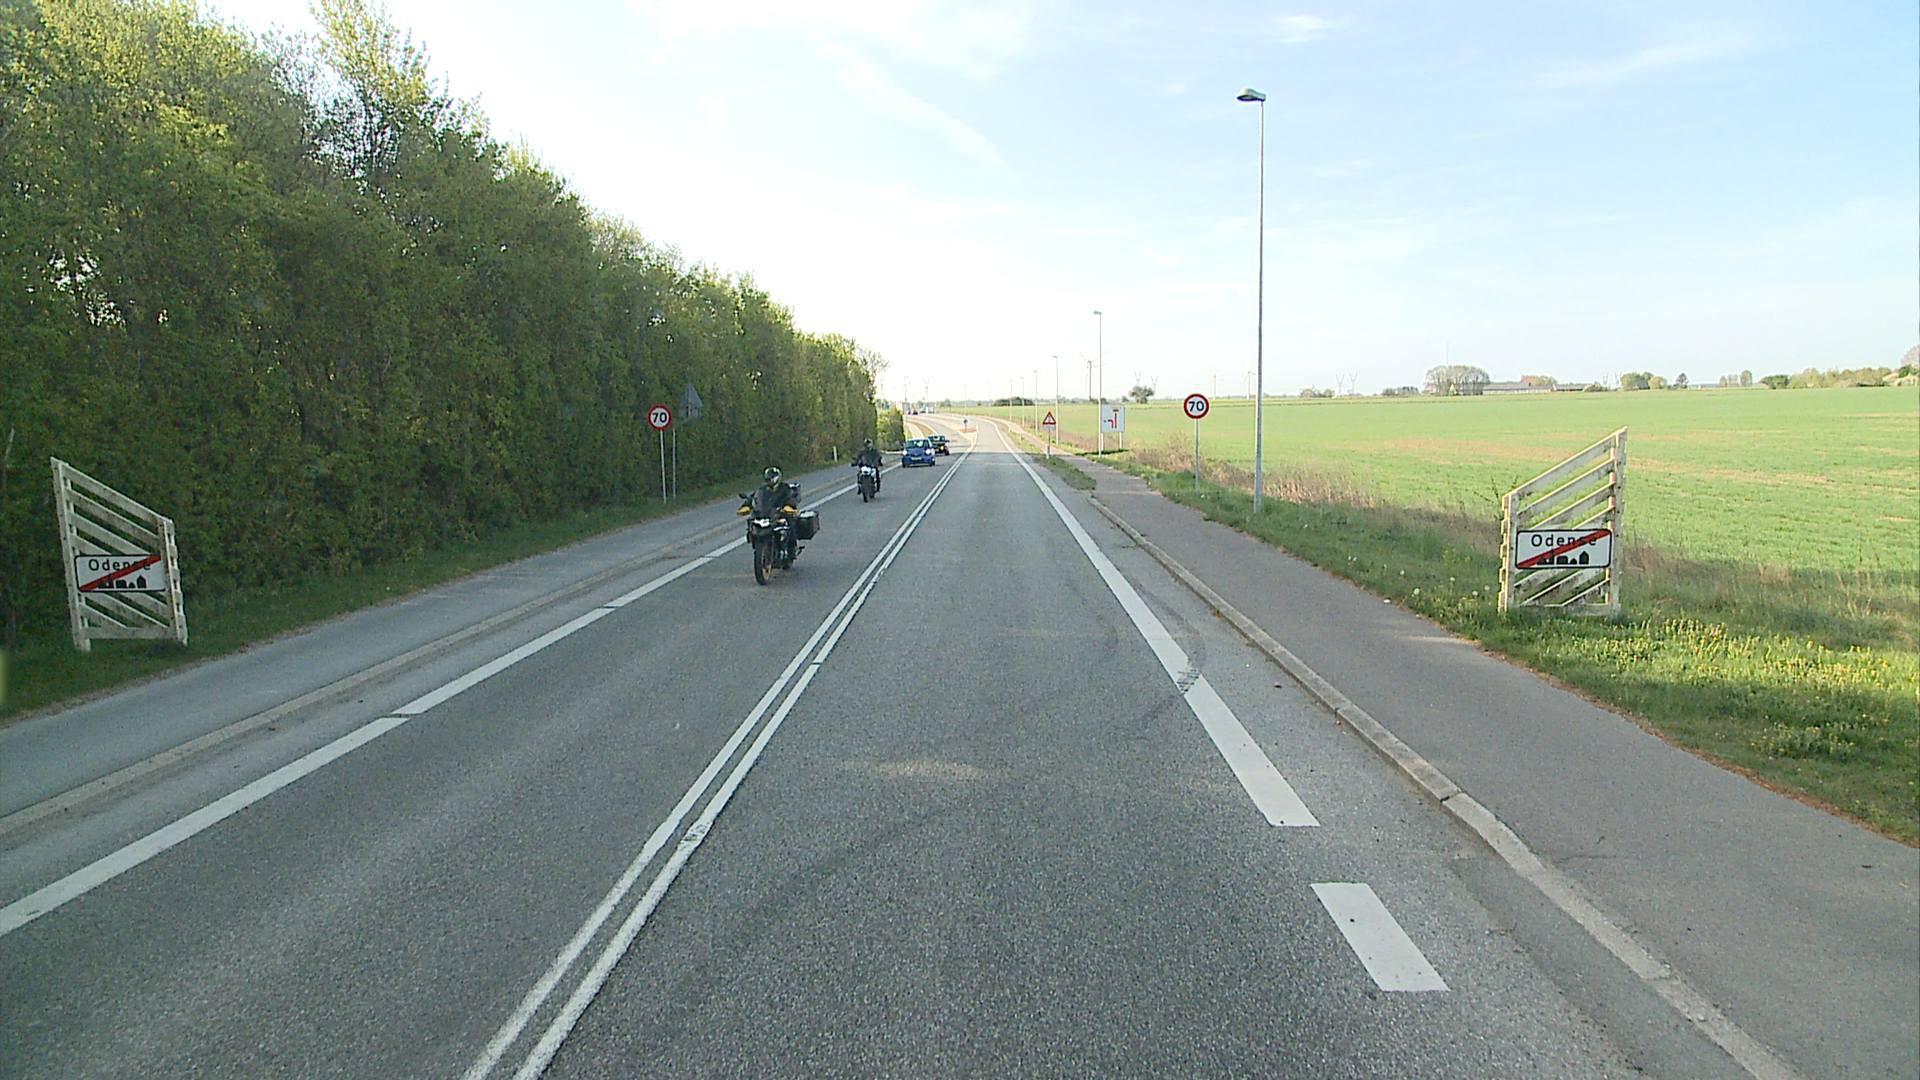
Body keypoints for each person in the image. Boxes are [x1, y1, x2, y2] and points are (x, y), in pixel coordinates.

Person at [747, 467, 800, 557]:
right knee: (751, 521)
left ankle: (792, 548)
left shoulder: (784, 488)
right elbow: (754, 497)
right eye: (768, 478)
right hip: (766, 513)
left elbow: (791, 497)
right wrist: (748, 504)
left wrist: (788, 506)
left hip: (780, 512)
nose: (770, 480)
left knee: (790, 522)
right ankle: (754, 540)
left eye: (772, 478)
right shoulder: (762, 489)